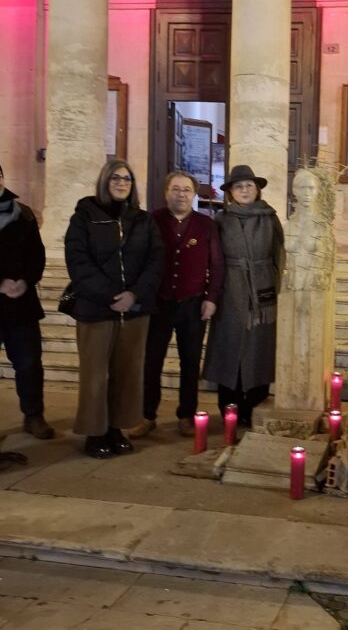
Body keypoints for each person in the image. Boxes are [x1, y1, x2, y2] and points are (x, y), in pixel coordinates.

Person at [64, 159, 163, 458]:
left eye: (128, 179)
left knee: (127, 372)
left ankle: (117, 428)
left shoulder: (143, 220)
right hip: (95, 308)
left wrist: (134, 294)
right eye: (116, 178)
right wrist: (110, 295)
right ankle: (95, 433)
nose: (122, 183)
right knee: (96, 374)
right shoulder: (84, 216)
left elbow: (156, 259)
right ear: (105, 181)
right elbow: (78, 262)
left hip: (134, 309)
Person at [127, 171, 224, 439]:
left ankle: (186, 416)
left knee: (190, 363)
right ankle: (147, 415)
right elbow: (138, 258)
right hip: (157, 305)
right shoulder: (151, 220)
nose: (181, 194)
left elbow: (216, 265)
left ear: (194, 194)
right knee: (151, 362)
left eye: (187, 189)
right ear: (166, 192)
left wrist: (211, 298)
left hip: (192, 305)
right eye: (176, 188)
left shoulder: (206, 225)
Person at [203, 165, 284, 427]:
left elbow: (279, 254)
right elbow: (213, 259)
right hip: (230, 290)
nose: (245, 190)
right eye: (239, 186)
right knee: (230, 348)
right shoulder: (221, 220)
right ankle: (230, 405)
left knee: (260, 348)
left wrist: (278, 287)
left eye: (249, 185)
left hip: (263, 290)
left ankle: (254, 405)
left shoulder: (270, 218)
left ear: (257, 189)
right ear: (230, 193)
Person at [0, 164, 53, 442]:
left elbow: (37, 255)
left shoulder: (24, 215)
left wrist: (25, 280)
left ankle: (33, 415)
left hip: (21, 303)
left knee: (29, 362)